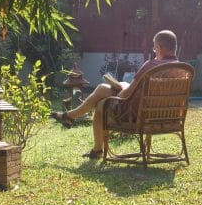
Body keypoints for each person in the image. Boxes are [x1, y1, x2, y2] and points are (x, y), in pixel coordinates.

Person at [51, 30, 180, 159]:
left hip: (135, 115)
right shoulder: (182, 69)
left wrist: (122, 87)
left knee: (102, 99)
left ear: (159, 47)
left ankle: (72, 118)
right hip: (166, 117)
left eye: (154, 47)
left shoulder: (151, 66)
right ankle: (75, 123)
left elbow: (125, 95)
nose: (154, 51)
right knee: (103, 96)